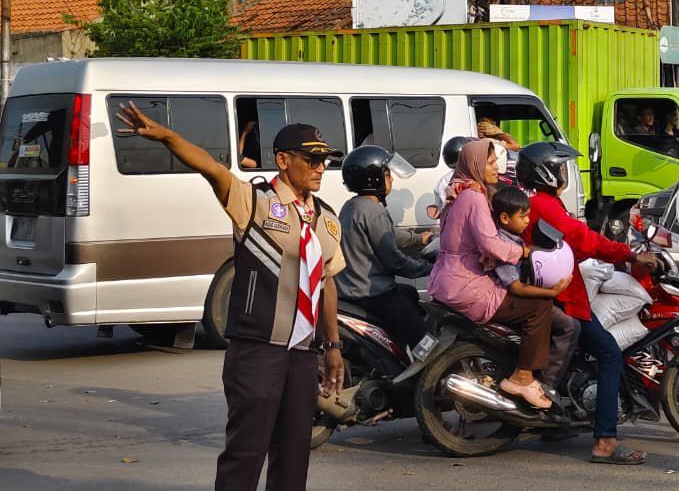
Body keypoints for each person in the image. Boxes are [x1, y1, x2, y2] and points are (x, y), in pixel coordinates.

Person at [115, 105, 345, 491]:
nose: (321, 167)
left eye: (325, 159)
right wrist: (169, 137)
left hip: (303, 356)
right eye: (313, 159)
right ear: (283, 160)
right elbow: (211, 168)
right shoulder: (252, 202)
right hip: (258, 352)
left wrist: (333, 344)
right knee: (246, 453)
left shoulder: (326, 219)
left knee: (293, 457)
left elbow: (327, 282)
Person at [517, 140, 657, 465]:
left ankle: (554, 423)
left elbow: (577, 244)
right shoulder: (545, 205)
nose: (564, 173)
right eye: (560, 167)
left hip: (556, 288)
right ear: (547, 172)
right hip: (563, 295)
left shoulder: (539, 203)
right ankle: (605, 441)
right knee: (609, 354)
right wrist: (629, 253)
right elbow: (582, 239)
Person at [427, 139, 556, 409]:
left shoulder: (460, 192)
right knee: (539, 306)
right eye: (490, 162)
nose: (497, 166)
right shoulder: (473, 197)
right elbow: (490, 244)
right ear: (475, 165)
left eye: (497, 161)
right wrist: (524, 252)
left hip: (448, 281)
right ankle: (523, 376)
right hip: (467, 286)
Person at [335, 145, 434, 356]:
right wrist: (429, 268)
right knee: (422, 337)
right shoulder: (374, 211)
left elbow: (387, 235)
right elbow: (395, 261)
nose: (392, 180)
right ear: (374, 179)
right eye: (387, 175)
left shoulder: (352, 206)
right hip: (371, 292)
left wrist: (418, 238)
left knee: (408, 293)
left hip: (351, 287)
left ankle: (396, 352)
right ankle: (426, 373)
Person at [490, 185, 579, 381]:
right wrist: (552, 292)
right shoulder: (504, 245)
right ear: (505, 218)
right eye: (523, 217)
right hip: (510, 301)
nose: (527, 221)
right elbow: (516, 287)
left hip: (512, 299)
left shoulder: (515, 240)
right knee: (569, 326)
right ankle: (548, 383)